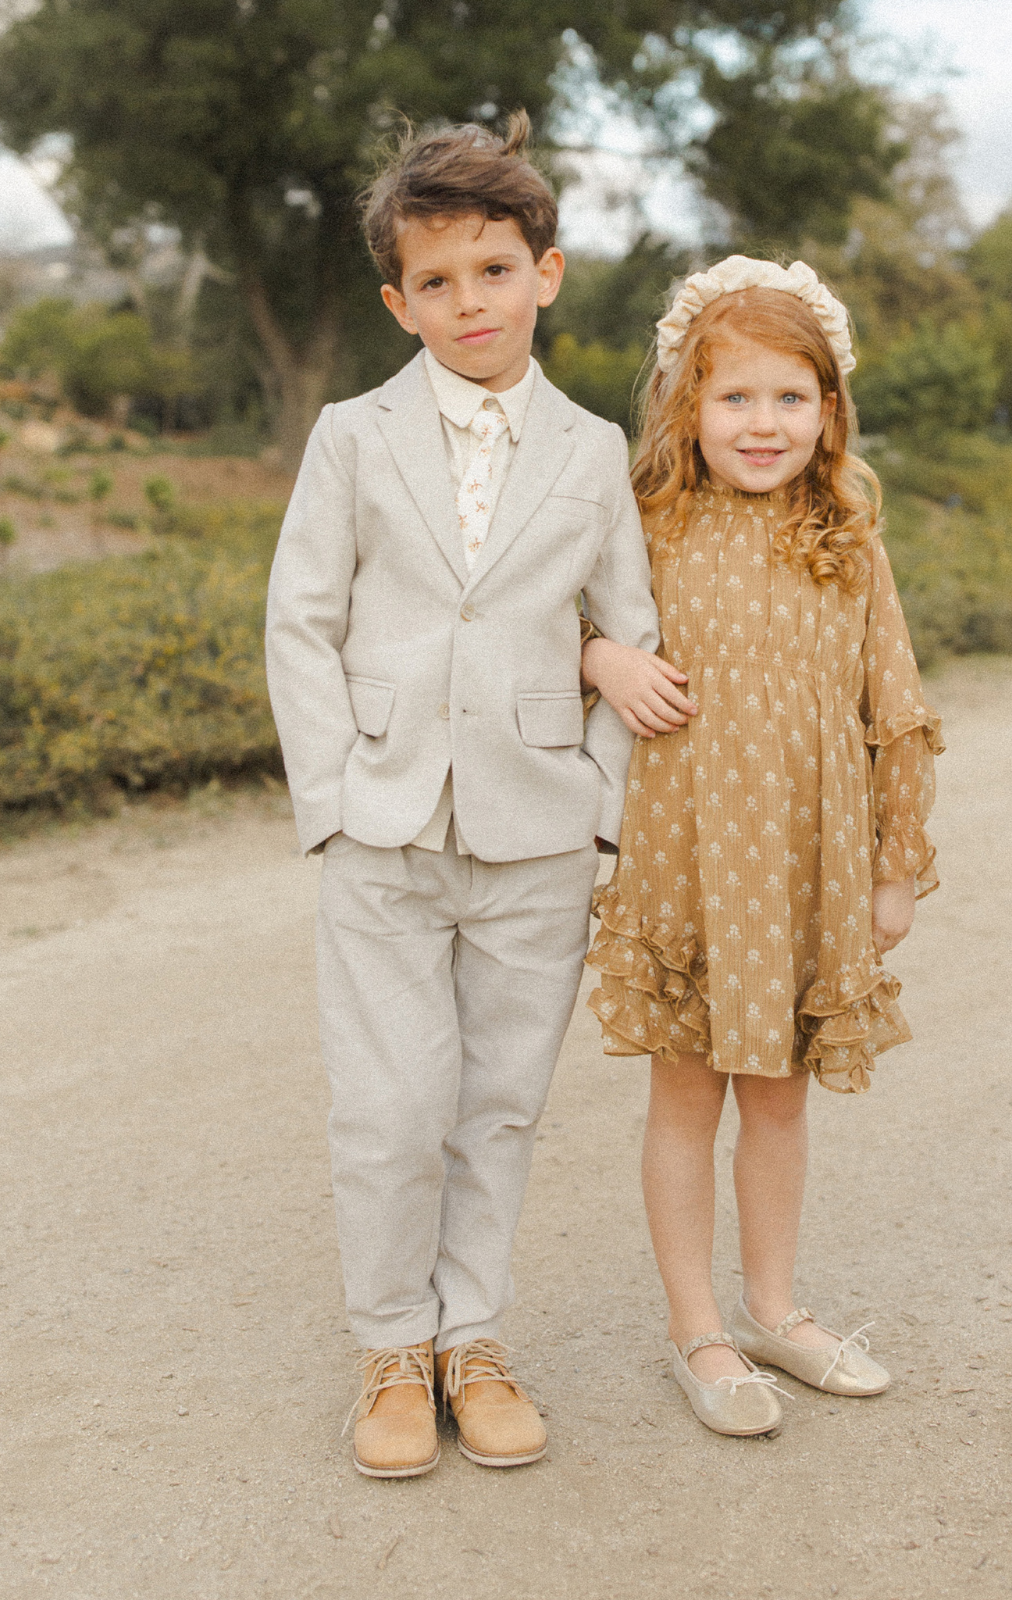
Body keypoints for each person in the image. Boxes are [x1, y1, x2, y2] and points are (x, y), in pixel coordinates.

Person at [265, 113, 659, 1477]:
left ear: (545, 271)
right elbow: (299, 622)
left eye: (492, 270)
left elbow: (632, 634)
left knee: (497, 1102)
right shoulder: (352, 439)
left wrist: (599, 806)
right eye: (435, 282)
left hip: (538, 830)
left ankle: (472, 1335)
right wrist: (329, 796)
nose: (468, 302)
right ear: (398, 301)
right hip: (380, 824)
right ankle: (391, 1343)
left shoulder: (593, 451)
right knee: (389, 1106)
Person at [580, 256, 943, 1438]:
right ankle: (698, 1330)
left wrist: (893, 867)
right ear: (686, 404)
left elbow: (894, 705)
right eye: (733, 397)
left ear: (827, 411)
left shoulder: (846, 537)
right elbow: (556, 619)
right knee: (686, 1097)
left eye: (790, 397)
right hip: (686, 856)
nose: (761, 423)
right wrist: (603, 660)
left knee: (778, 1102)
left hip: (805, 866)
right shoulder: (649, 522)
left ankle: (773, 1307)